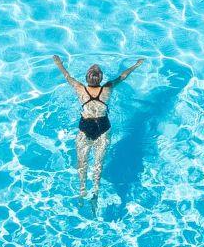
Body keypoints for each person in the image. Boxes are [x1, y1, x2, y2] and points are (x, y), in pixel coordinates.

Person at [52, 54, 143, 197]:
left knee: (82, 163)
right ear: (101, 78)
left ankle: (82, 190)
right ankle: (95, 191)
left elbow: (67, 76)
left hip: (85, 127)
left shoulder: (80, 88)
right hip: (103, 127)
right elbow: (123, 76)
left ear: (86, 77)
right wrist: (136, 65)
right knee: (98, 164)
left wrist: (59, 63)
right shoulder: (107, 88)